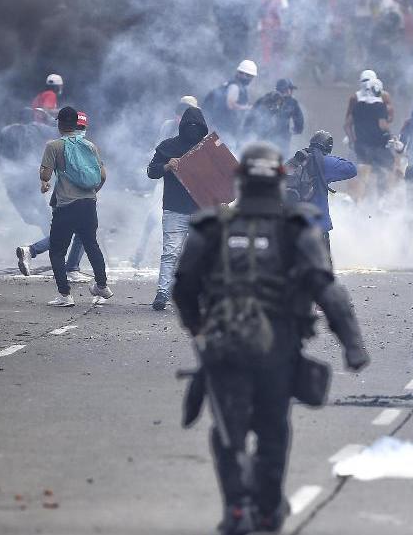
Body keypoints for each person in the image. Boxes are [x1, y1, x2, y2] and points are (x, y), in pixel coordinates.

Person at [172, 142, 369, 534]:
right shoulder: (295, 228)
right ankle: (264, 510)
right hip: (277, 352)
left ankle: (238, 509)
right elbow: (325, 288)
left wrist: (199, 328)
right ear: (281, 180)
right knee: (273, 430)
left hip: (224, 350)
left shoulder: (212, 227)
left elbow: (183, 287)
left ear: (240, 180)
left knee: (227, 430)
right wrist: (352, 344)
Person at [39, 107, 113, 307]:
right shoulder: (90, 146)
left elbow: (46, 176)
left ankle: (65, 295)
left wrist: (45, 179)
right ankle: (102, 285)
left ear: (60, 124)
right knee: (91, 244)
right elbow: (103, 175)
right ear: (77, 124)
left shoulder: (53, 146)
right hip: (89, 204)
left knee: (57, 250)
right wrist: (93, 192)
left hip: (66, 205)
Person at [6, 109, 85, 279]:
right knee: (74, 232)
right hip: (71, 196)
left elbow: (47, 172)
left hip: (58, 194)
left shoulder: (54, 143)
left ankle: (34, 252)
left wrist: (44, 182)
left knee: (69, 231)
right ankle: (68, 268)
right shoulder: (69, 145)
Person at [146, 106, 209, 311]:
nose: (192, 129)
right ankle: (163, 293)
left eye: (196, 125)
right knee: (170, 252)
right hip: (175, 208)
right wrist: (167, 165)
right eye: (189, 125)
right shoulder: (168, 147)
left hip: (202, 210)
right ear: (182, 126)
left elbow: (223, 178)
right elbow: (151, 171)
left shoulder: (209, 149)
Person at [286, 131, 358, 248]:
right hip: (317, 227)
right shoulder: (325, 162)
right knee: (321, 265)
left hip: (292, 226)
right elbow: (352, 169)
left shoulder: (294, 161)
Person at [345, 70, 395, 202]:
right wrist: (352, 140)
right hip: (364, 141)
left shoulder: (384, 97)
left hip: (368, 142)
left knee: (379, 170)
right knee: (358, 170)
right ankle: (359, 198)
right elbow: (348, 122)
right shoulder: (355, 98)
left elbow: (389, 117)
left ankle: (379, 198)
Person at [204, 60, 257, 145]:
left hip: (219, 127)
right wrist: (247, 108)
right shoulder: (235, 86)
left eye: (248, 75)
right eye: (244, 74)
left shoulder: (231, 85)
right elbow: (230, 104)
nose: (245, 77)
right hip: (222, 129)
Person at [245, 78, 304, 154]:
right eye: (291, 89)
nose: (291, 92)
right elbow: (299, 121)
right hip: (280, 140)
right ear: (286, 89)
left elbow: (251, 115)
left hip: (264, 137)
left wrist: (248, 129)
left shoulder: (265, 98)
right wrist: (296, 130)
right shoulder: (291, 102)